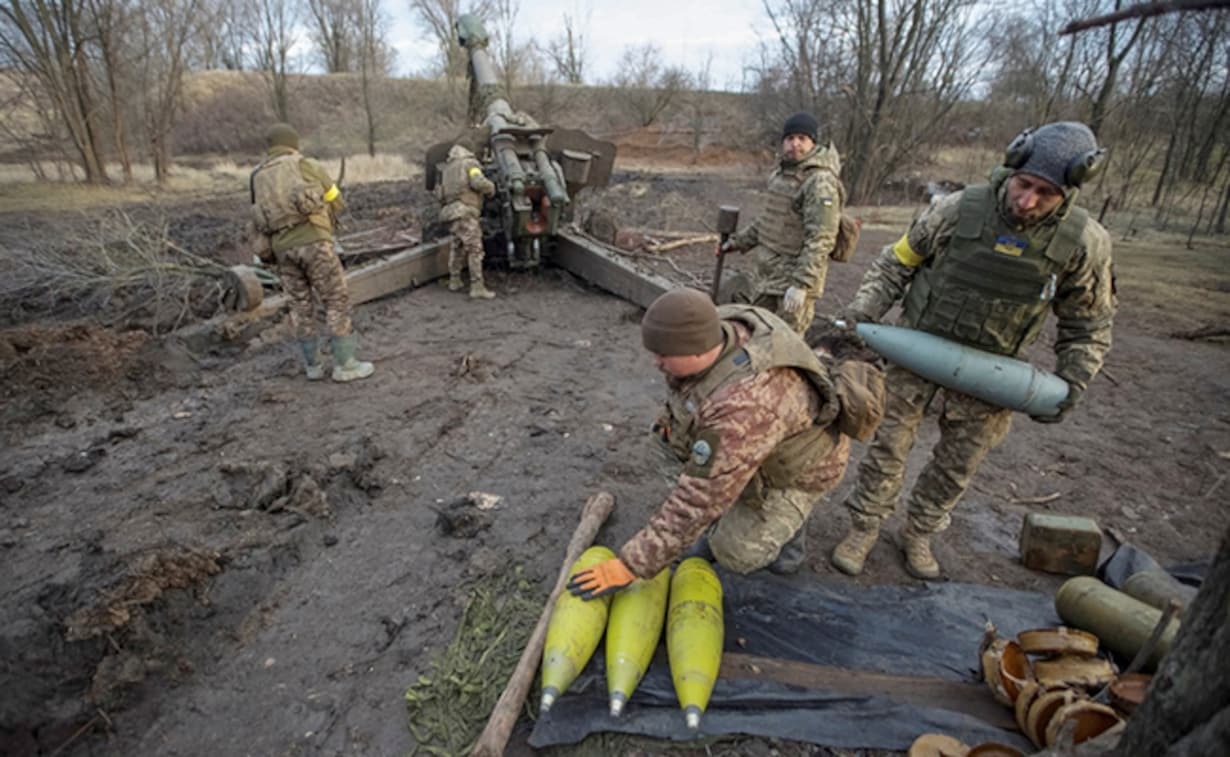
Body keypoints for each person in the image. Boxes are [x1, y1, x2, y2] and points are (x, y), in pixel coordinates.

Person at [829, 121, 1116, 579]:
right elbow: (896, 263)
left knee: (957, 465)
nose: (1027, 202)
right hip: (916, 354)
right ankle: (864, 525)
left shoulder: (1083, 243)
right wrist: (862, 313)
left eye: (1046, 193)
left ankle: (919, 531)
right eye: (1023, 185)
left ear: (1070, 191)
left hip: (994, 374)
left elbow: (1089, 322)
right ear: (1012, 167)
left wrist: (1074, 381)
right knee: (887, 448)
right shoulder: (957, 210)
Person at [566, 288, 884, 600]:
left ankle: (790, 532)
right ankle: (737, 495)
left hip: (801, 468)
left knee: (735, 552)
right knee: (663, 448)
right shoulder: (718, 325)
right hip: (758, 441)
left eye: (663, 355)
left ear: (695, 351)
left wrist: (630, 564)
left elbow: (699, 499)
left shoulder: (745, 406)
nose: (655, 363)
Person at [249, 122, 374, 382]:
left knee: (300, 307)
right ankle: (345, 365)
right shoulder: (305, 165)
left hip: (282, 251)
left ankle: (313, 366)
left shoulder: (257, 176)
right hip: (314, 243)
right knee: (335, 299)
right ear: (293, 143)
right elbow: (335, 200)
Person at [719, 112, 845, 334]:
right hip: (767, 276)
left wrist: (801, 285)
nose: (795, 144)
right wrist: (738, 243)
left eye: (802, 139)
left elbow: (821, 239)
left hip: (793, 282)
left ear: (813, 142)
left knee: (785, 345)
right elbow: (769, 220)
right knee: (757, 335)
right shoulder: (781, 174)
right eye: (790, 138)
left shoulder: (819, 181)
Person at [438, 143, 498, 299]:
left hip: (451, 213)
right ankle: (477, 287)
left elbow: (440, 196)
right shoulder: (469, 163)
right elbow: (478, 182)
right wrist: (491, 188)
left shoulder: (447, 170)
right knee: (475, 249)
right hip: (466, 211)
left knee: (457, 247)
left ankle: (455, 280)